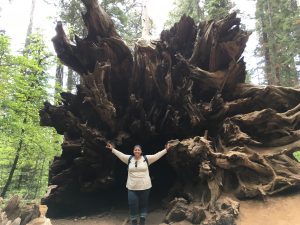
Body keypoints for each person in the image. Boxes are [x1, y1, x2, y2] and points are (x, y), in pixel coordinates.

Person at [106, 143, 172, 225]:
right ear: (133, 151)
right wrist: (112, 149)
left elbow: (156, 156)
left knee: (143, 205)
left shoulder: (146, 159)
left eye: (138, 150)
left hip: (145, 187)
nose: (137, 151)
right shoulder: (129, 159)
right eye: (135, 149)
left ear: (141, 151)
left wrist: (166, 150)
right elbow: (120, 155)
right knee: (132, 205)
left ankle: (142, 221)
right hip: (132, 187)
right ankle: (134, 222)